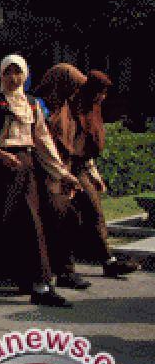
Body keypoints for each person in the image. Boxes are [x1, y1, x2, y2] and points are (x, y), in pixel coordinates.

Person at [0, 56, 83, 307]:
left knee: (30, 224)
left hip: (26, 169)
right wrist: (0, 155)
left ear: (25, 75)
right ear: (1, 76)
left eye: (17, 73)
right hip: (3, 170)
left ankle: (40, 285)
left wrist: (61, 172)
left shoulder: (33, 105)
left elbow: (43, 143)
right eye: (7, 73)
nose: (13, 79)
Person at [36, 65, 137, 280]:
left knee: (94, 211)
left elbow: (85, 146)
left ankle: (108, 261)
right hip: (56, 169)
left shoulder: (84, 110)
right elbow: (51, 145)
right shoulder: (55, 110)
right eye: (98, 91)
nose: (101, 97)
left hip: (78, 167)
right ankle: (63, 269)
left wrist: (94, 175)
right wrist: (62, 173)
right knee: (64, 217)